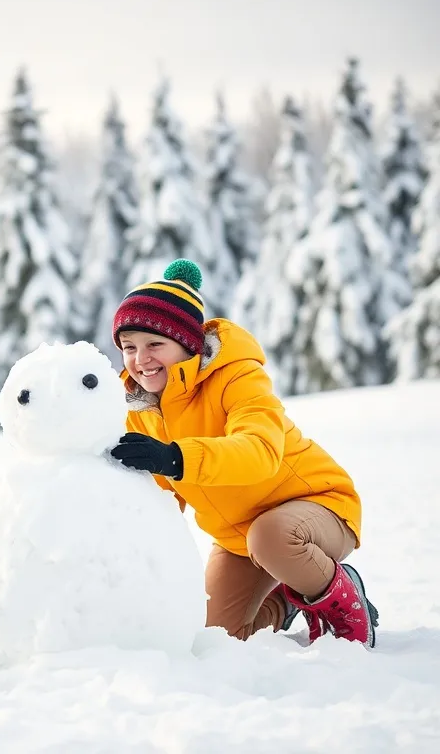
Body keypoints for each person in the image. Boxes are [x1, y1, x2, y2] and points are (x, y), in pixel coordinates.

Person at [108, 260, 379, 647]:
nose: (140, 359)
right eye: (129, 347)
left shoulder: (237, 376)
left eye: (155, 344)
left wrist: (174, 458)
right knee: (217, 641)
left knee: (269, 536)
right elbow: (159, 498)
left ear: (186, 344)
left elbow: (261, 450)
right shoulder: (141, 410)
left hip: (319, 508)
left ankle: (338, 592)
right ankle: (288, 601)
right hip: (239, 538)